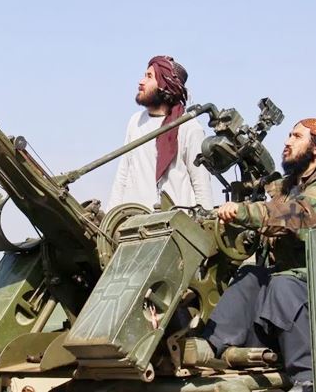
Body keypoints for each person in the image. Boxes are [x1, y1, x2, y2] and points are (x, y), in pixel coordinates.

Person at [196, 119, 316, 391]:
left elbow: (292, 215)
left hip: (307, 279)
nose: (287, 141)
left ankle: (307, 377)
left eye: (296, 136)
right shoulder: (287, 187)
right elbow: (266, 208)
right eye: (288, 135)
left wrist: (243, 212)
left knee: (282, 284)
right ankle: (211, 348)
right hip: (291, 281)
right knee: (250, 276)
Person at [106, 56, 213, 212]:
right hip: (134, 219)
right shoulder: (135, 121)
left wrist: (206, 219)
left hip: (174, 222)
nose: (141, 82)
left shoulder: (188, 126)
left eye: (149, 77)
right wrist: (110, 215)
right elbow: (123, 174)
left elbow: (201, 182)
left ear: (165, 85)